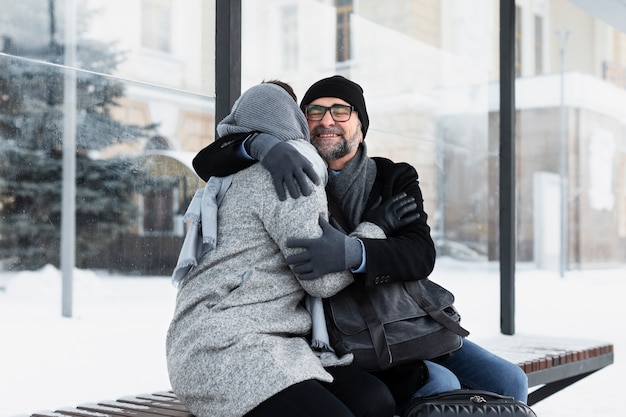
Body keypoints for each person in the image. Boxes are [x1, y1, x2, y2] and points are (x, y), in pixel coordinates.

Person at [191, 75, 529, 411]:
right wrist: (262, 145)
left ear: (361, 126)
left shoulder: (393, 177)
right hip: (345, 332)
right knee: (441, 385)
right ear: (300, 123)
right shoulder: (292, 174)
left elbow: (420, 254)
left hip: (405, 314)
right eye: (314, 112)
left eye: (341, 111)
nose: (327, 120)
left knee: (510, 381)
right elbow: (207, 161)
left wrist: (356, 252)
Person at [166, 81, 396, 417]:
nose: (322, 122)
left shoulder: (224, 178)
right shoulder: (294, 173)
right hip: (233, 351)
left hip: (203, 346)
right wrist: (374, 231)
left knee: (373, 400)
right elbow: (321, 281)